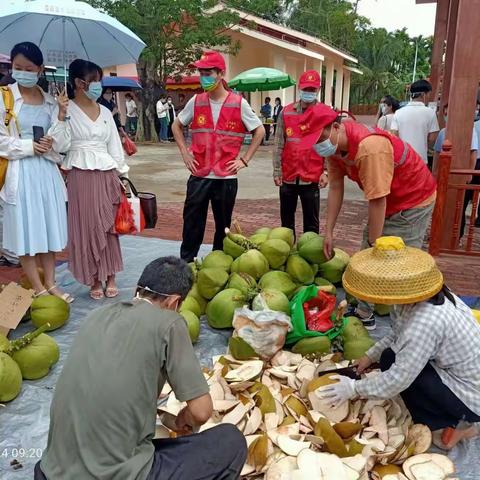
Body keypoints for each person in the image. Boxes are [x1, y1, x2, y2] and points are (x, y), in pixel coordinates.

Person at [35, 256, 247, 480]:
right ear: (175, 303)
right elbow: (201, 412)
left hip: (51, 470)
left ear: (137, 289)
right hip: (114, 474)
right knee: (230, 441)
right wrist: (185, 417)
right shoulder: (170, 323)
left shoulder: (94, 316)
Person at [319, 236, 480, 450]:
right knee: (388, 357)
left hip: (470, 395)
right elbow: (397, 334)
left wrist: (354, 388)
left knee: (401, 372)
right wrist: (369, 357)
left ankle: (459, 425)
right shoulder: (420, 295)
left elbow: (398, 379)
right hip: (456, 370)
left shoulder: (425, 322)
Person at [315, 103, 437, 330]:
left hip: (413, 199)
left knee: (400, 263)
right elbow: (335, 188)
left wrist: (375, 244)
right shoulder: (334, 150)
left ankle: (411, 326)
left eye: (318, 137)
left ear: (335, 127)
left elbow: (378, 200)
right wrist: (329, 231)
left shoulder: (370, 147)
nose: (316, 145)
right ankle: (364, 312)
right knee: (368, 254)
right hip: (387, 199)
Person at [172, 51, 264, 262]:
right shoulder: (196, 101)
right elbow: (176, 125)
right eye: (201, 72)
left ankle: (218, 264)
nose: (204, 77)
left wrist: (244, 160)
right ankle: (186, 264)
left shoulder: (238, 103)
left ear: (221, 74)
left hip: (225, 177)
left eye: (208, 72)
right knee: (192, 222)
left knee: (223, 226)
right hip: (199, 173)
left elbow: (259, 131)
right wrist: (185, 153)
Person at [0, 42, 71, 300]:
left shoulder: (51, 102)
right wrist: (30, 146)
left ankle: (51, 283)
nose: (22, 72)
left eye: (29, 68)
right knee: (25, 230)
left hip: (46, 174)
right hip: (20, 173)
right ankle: (38, 288)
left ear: (40, 69)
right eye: (17, 67)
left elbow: (63, 146)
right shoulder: (4, 97)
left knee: (47, 228)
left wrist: (61, 118)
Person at [60, 59, 129, 300]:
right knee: (86, 227)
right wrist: (60, 115)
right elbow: (60, 146)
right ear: (80, 83)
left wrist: (123, 175)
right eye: (95, 81)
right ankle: (93, 278)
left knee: (108, 226)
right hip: (80, 174)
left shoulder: (107, 113)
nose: (99, 86)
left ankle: (110, 275)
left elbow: (114, 146)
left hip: (106, 173)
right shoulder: (66, 110)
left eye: (99, 81)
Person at [273, 70, 329, 237]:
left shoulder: (324, 114)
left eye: (312, 90)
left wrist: (326, 172)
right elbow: (278, 144)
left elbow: (329, 146)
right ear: (299, 88)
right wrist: (277, 171)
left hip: (311, 176)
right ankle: (287, 254)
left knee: (311, 224)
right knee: (286, 223)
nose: (308, 93)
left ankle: (309, 259)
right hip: (288, 176)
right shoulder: (286, 112)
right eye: (306, 89)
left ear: (318, 90)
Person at [433, 103, 479, 239]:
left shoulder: (469, 131)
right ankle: (438, 234)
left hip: (460, 175)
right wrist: (435, 171)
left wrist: (470, 172)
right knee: (441, 205)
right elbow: (437, 153)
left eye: (449, 113)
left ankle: (456, 236)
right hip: (444, 174)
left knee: (460, 205)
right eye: (445, 114)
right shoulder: (443, 132)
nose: (447, 116)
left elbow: (473, 153)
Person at [391, 79, 439, 165]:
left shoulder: (398, 112)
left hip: (402, 159)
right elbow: (433, 138)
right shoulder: (430, 113)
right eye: (428, 94)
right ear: (423, 94)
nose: (428, 97)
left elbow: (394, 135)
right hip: (420, 159)